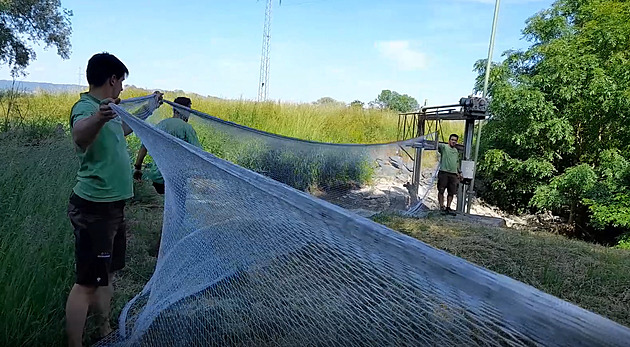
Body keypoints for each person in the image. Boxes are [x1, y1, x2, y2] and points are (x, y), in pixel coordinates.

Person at [65, 52, 162, 347]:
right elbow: (79, 134)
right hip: (94, 208)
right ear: (112, 79)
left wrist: (148, 108)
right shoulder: (86, 107)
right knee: (85, 283)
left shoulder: (109, 111)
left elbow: (119, 130)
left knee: (105, 275)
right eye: (121, 82)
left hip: (113, 207)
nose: (122, 89)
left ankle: (104, 330)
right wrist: (98, 115)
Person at [133, 96, 201, 194]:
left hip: (157, 177)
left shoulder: (160, 125)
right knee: (177, 205)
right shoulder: (187, 128)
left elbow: (144, 147)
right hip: (176, 179)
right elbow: (198, 153)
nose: (190, 113)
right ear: (184, 109)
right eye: (189, 109)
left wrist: (138, 167)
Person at [437, 134, 462, 215]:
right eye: (452, 139)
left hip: (453, 174)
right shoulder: (444, 147)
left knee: (451, 192)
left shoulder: (456, 151)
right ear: (449, 140)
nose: (453, 141)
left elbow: (456, 162)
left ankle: (448, 207)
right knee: (441, 190)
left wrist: (459, 172)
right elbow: (437, 145)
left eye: (455, 140)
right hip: (444, 172)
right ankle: (441, 206)